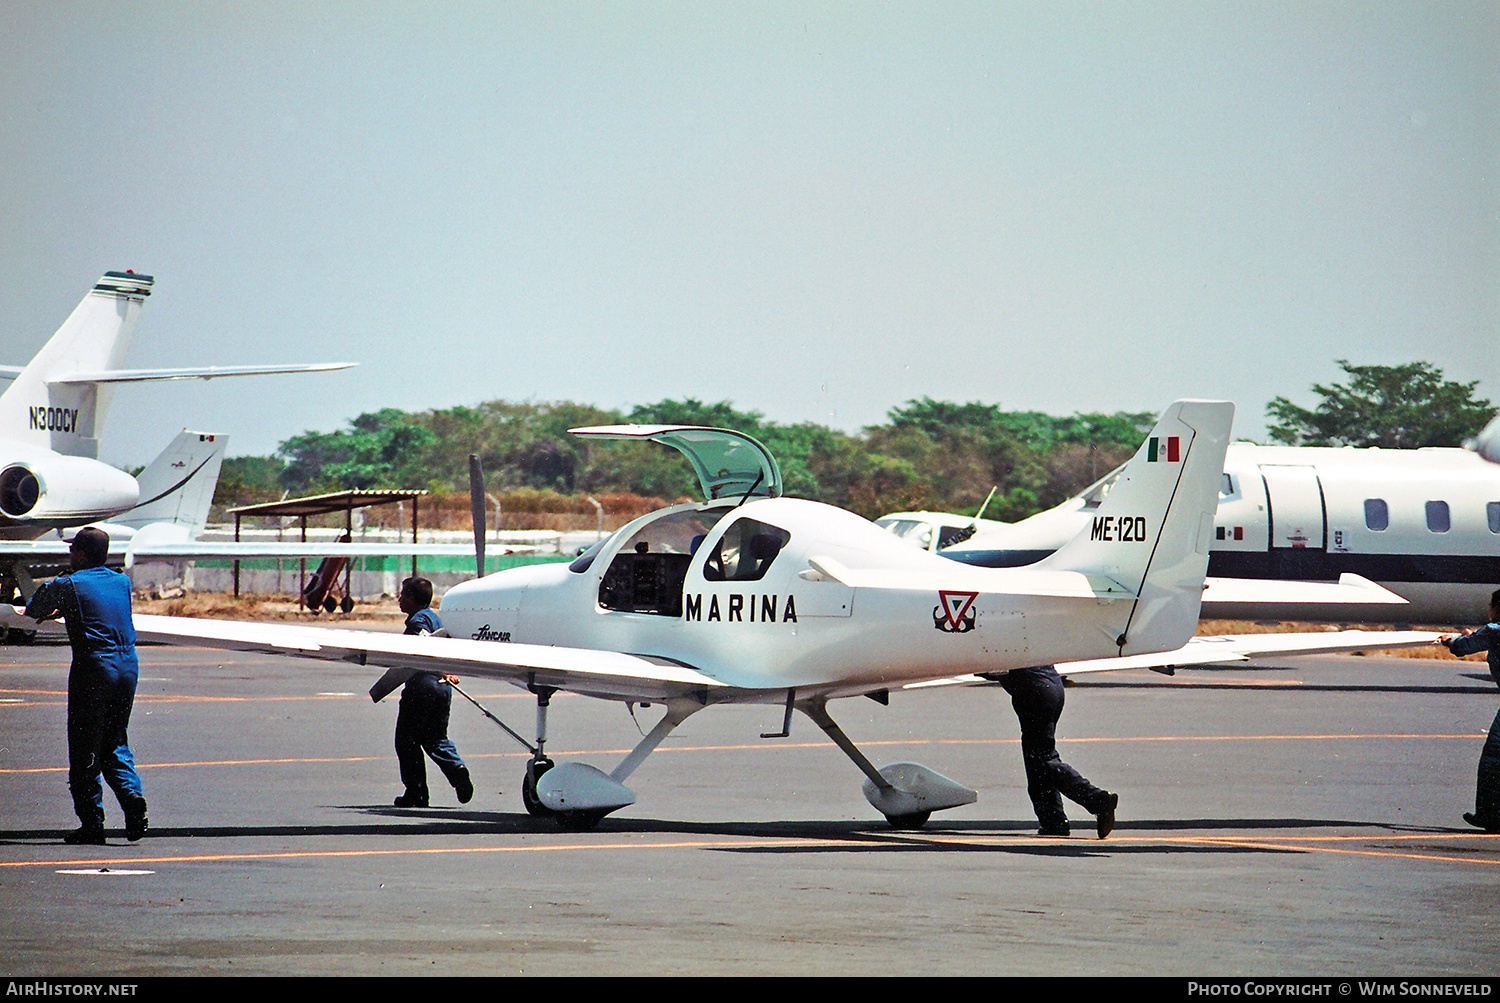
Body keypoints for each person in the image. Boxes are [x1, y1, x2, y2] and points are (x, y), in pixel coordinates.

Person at [24, 527, 148, 845]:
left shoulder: (70, 584)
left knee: (84, 748)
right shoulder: (122, 582)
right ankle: (133, 801)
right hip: (127, 667)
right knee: (114, 740)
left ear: (80, 554)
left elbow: (35, 607)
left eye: (72, 550)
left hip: (94, 669)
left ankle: (92, 823)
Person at [999, 664, 1118, 838]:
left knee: (1043, 760)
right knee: (1036, 761)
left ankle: (1097, 799)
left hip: (1035, 691)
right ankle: (1053, 822)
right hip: (1050, 686)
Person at [391, 577, 473, 808]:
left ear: (412, 598)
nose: (399, 599)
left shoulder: (419, 621)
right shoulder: (437, 618)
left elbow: (423, 644)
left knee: (406, 741)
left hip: (422, 687)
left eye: (403, 595)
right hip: (441, 687)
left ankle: (416, 793)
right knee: (435, 738)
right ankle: (457, 770)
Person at [1441, 588, 1500, 833]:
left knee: (1494, 756)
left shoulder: (1495, 630)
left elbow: (1461, 648)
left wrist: (1450, 641)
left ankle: (1490, 814)